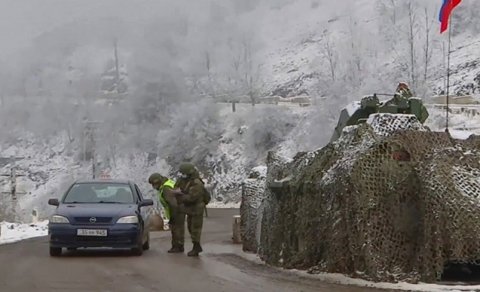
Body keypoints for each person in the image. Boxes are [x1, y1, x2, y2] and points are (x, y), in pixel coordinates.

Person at [148, 173, 185, 253]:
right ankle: (179, 246)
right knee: (179, 228)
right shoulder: (168, 183)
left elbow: (173, 204)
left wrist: (172, 217)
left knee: (176, 229)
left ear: (157, 182)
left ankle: (177, 247)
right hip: (180, 209)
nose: (153, 187)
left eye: (153, 185)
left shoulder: (165, 189)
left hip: (176, 211)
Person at [176, 163, 206, 257]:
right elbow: (177, 186)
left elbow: (191, 198)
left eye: (183, 173)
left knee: (195, 229)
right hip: (190, 209)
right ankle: (196, 246)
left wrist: (180, 196)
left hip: (197, 208)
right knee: (190, 227)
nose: (182, 175)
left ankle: (196, 247)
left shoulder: (196, 183)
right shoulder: (186, 180)